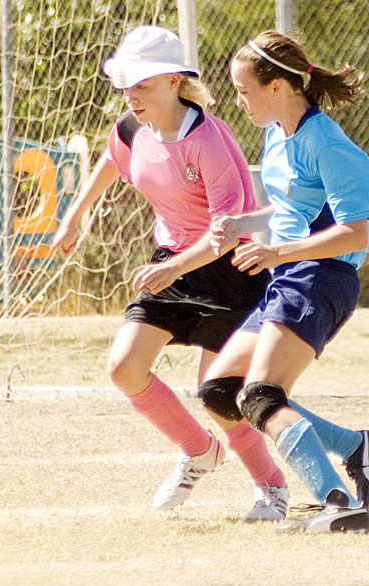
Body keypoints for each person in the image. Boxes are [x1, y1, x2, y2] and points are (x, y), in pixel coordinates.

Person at [54, 25, 289, 521]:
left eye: (141, 84)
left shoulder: (210, 142)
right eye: (126, 84)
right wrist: (73, 217)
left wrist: (175, 267)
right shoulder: (131, 128)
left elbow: (227, 232)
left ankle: (270, 486)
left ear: (174, 81)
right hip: (172, 264)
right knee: (124, 367)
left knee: (220, 397)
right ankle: (199, 452)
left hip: (228, 272)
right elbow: (111, 161)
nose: (131, 95)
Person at [204, 30, 369, 533]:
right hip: (292, 274)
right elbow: (293, 207)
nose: (238, 101)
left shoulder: (327, 142)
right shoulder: (276, 133)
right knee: (222, 388)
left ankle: (339, 501)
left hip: (323, 277)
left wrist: (276, 252)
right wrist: (243, 223)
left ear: (277, 86)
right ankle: (356, 448)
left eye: (244, 90)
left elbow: (359, 230)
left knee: (261, 394)